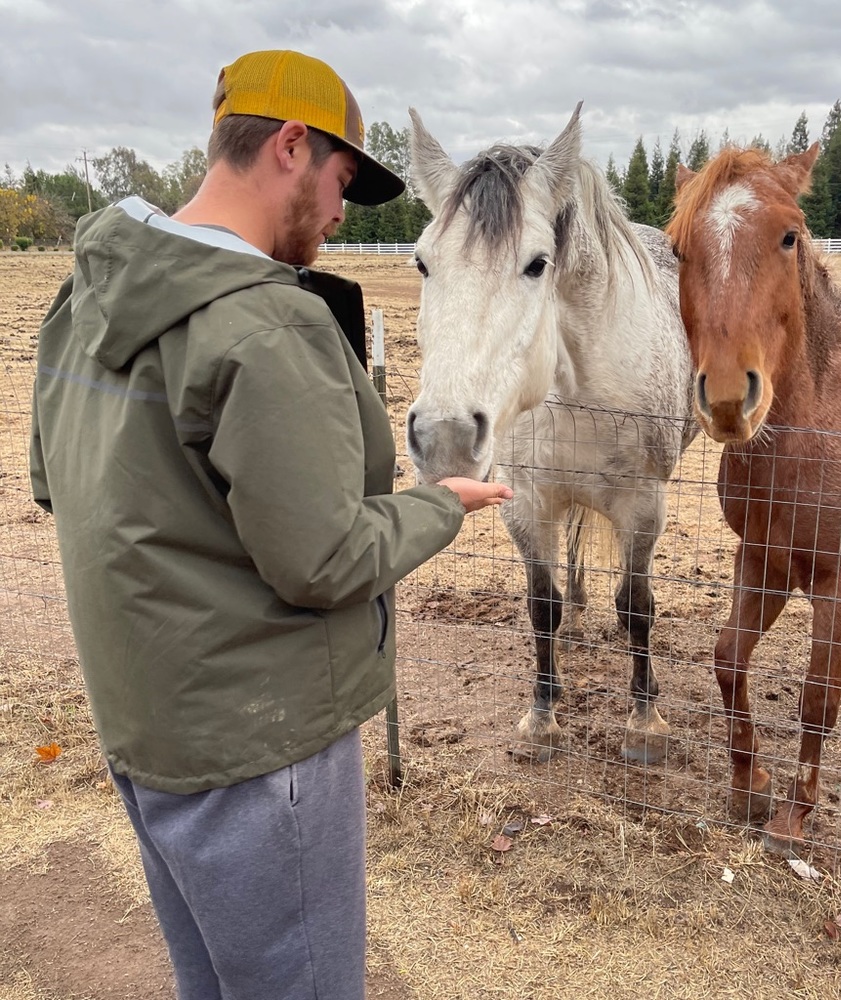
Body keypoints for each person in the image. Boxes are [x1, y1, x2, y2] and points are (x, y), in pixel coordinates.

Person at [30, 49, 511, 1000]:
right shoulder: (265, 326)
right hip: (262, 746)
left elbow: (56, 481)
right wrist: (435, 509)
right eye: (340, 182)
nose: (341, 214)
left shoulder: (89, 294)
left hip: (146, 727)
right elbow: (325, 561)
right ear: (291, 146)